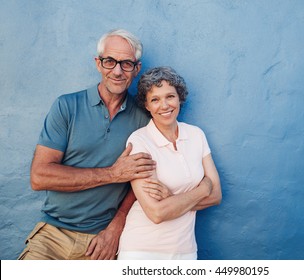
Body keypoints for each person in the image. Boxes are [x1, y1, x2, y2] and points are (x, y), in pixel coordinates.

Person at [18, 29, 167, 260]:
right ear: (98, 64)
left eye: (126, 64)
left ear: (136, 69)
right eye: (110, 61)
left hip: (103, 240)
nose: (117, 71)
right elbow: (40, 177)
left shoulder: (144, 118)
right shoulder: (67, 106)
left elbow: (144, 179)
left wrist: (117, 226)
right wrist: (112, 174)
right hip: (52, 234)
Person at [117, 66, 222, 260]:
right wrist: (203, 188)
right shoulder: (140, 141)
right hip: (142, 251)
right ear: (146, 105)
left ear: (179, 97)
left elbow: (216, 196)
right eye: (155, 99)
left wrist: (172, 198)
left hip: (185, 250)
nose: (164, 105)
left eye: (170, 96)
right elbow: (156, 213)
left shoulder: (196, 135)